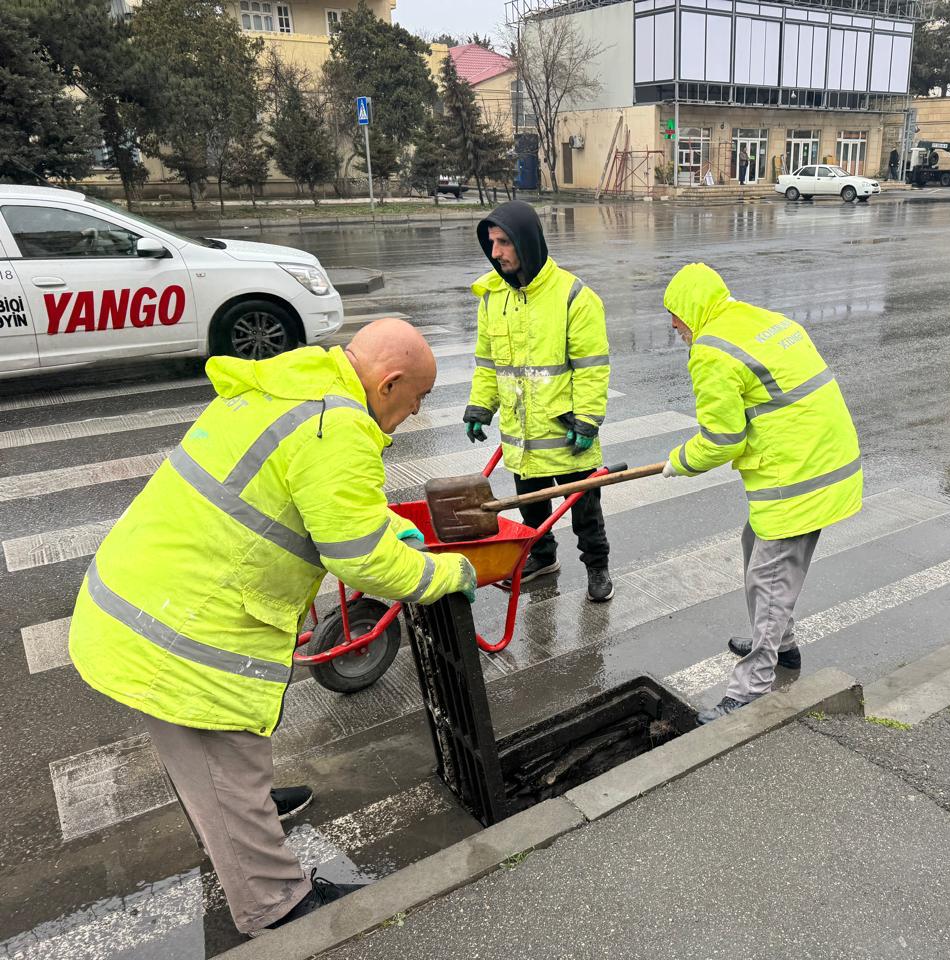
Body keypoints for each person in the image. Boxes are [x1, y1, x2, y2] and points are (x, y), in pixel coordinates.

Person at [68, 319, 476, 937]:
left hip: (148, 600)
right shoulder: (335, 427)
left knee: (217, 765)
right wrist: (446, 573)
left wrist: (392, 530)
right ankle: (276, 905)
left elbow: (313, 506)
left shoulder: (292, 387)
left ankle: (239, 816)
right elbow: (358, 557)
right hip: (181, 632)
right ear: (390, 382)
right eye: (415, 401)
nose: (412, 416)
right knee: (222, 753)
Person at [661, 264, 862, 725]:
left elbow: (722, 439)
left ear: (692, 309)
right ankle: (781, 642)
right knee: (755, 546)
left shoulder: (712, 351)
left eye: (674, 315)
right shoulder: (763, 321)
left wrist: (679, 462)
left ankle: (750, 688)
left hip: (798, 477)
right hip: (820, 458)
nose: (673, 325)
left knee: (768, 579)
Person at [464, 200, 614, 602]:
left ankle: (597, 568)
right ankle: (542, 557)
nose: (495, 253)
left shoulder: (573, 296)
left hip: (566, 434)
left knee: (583, 511)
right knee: (532, 509)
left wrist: (587, 420)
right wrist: (481, 406)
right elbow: (487, 364)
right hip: (521, 432)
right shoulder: (492, 297)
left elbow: (592, 367)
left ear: (527, 243)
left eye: (504, 242)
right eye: (491, 243)